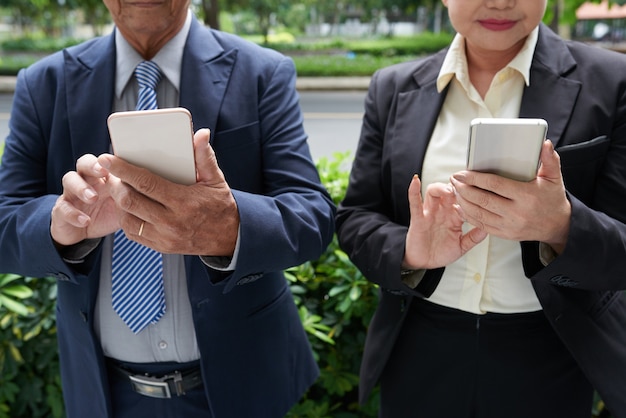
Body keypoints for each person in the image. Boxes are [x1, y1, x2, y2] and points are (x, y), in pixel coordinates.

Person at [0, 0, 336, 417]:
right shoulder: (44, 82)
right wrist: (60, 225)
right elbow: (4, 221)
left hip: (238, 384)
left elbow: (313, 216)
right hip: (103, 392)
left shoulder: (262, 72)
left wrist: (229, 225)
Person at [335, 0, 626, 417]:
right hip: (420, 345)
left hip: (551, 353)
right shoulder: (393, 87)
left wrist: (560, 224)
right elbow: (356, 216)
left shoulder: (612, 81)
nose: (500, 2)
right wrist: (412, 253)